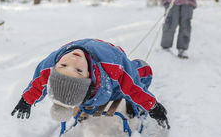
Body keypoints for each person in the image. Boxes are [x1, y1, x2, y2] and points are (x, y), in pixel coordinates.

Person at [11, 39, 169, 129]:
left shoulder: (113, 64)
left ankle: (114, 103)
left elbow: (133, 87)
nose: (72, 59)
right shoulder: (56, 67)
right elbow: (39, 84)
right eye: (78, 70)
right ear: (87, 77)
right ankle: (85, 104)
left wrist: (152, 106)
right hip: (94, 92)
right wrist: (27, 101)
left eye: (64, 66)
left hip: (112, 85)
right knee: (89, 100)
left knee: (144, 70)